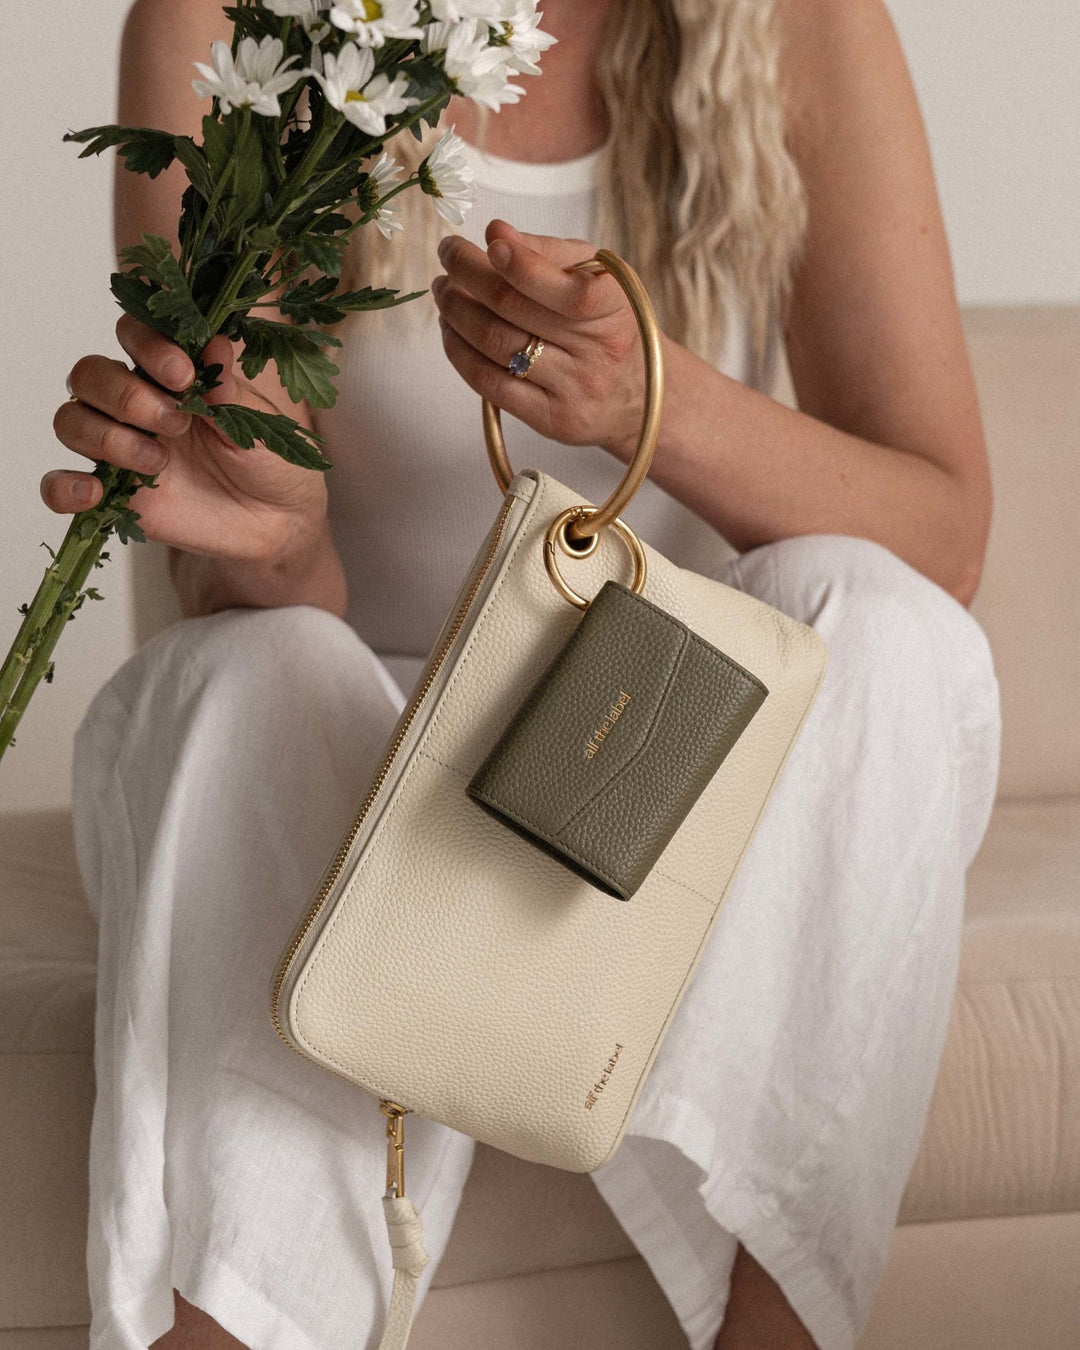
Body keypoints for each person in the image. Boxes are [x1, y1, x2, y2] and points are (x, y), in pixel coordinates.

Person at [51, 1, 1002, 1347]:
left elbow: (943, 535)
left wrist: (648, 401)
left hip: (658, 782)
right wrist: (278, 540)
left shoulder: (797, 23)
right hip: (362, 781)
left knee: (886, 620)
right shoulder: (224, 19)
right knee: (255, 670)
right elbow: (246, 581)